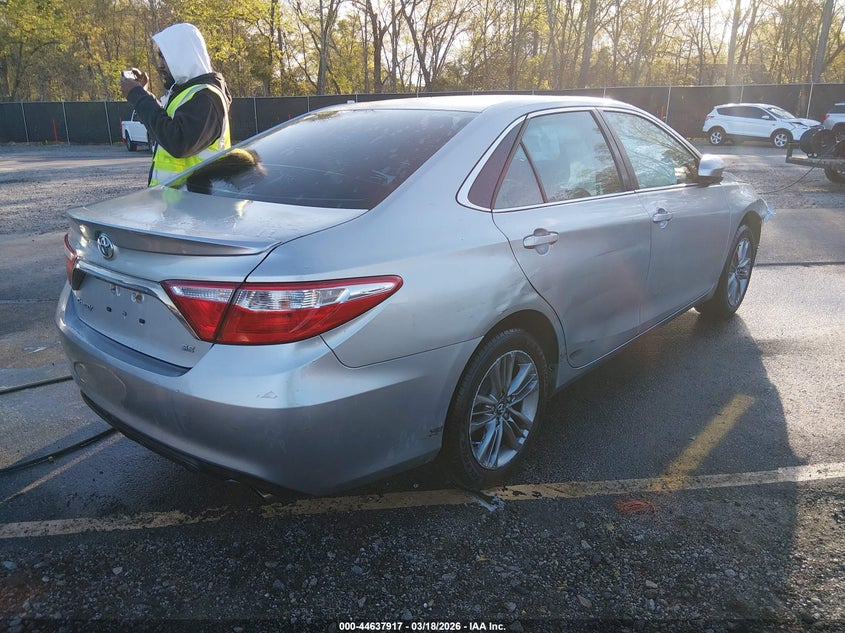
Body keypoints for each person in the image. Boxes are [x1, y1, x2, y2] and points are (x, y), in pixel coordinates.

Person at [119, 23, 232, 186]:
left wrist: (139, 96)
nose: (160, 64)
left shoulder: (207, 97)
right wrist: (144, 93)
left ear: (183, 55)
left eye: (164, 56)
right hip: (178, 199)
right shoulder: (188, 93)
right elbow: (165, 128)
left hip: (195, 200)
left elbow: (178, 142)